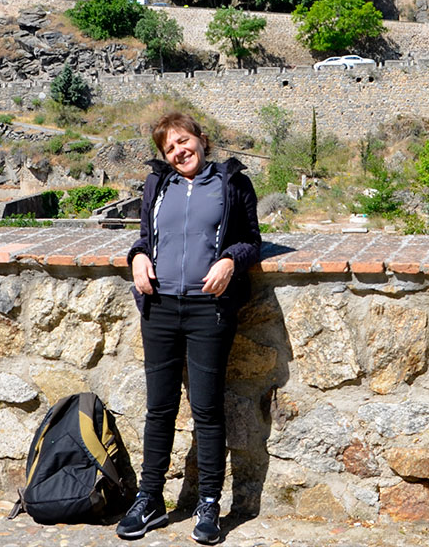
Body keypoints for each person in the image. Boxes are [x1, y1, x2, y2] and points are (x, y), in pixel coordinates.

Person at [116, 111, 262, 544]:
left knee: (207, 409)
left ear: (201, 139)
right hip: (159, 308)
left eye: (184, 141)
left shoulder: (232, 182)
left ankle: (209, 504)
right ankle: (150, 499)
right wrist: (137, 257)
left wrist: (230, 260)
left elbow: (252, 241)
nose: (179, 152)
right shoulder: (158, 184)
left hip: (209, 310)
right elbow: (146, 237)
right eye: (169, 148)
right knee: (159, 409)